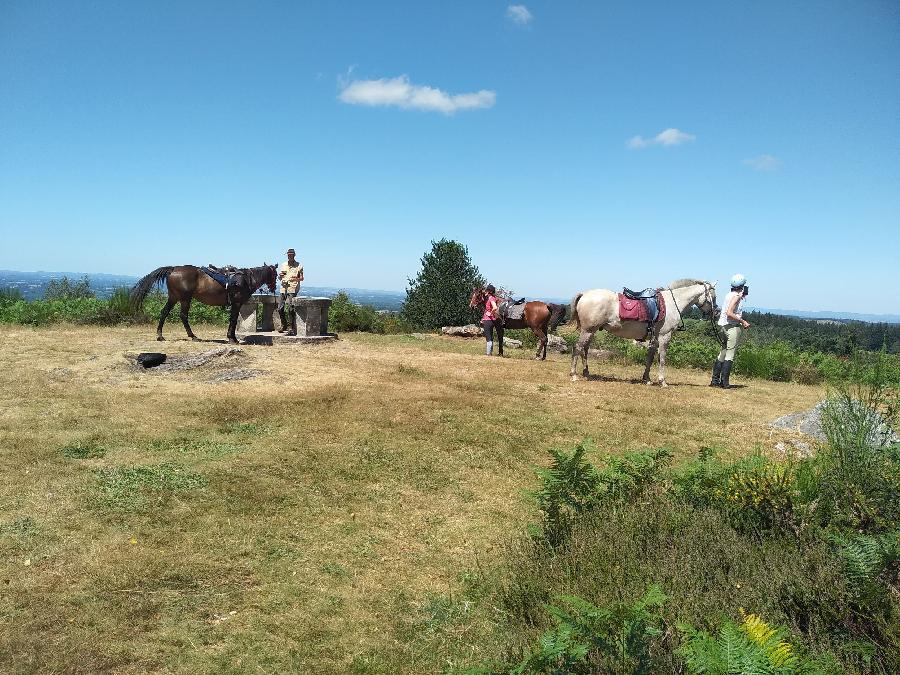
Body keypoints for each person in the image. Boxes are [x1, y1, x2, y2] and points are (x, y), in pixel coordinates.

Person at [710, 274, 751, 388]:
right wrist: (743, 321)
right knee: (730, 354)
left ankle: (714, 381)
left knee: (723, 352)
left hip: (723, 326)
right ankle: (725, 383)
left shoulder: (729, 294)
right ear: (742, 286)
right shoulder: (737, 296)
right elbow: (730, 312)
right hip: (732, 327)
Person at [277, 248, 304, 335]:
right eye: (288, 255)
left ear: (294, 255)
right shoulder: (283, 265)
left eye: (291, 254)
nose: (290, 256)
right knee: (280, 308)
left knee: (291, 309)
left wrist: (295, 279)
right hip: (283, 287)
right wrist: (280, 276)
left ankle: (291, 327)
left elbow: (302, 278)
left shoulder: (299, 265)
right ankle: (283, 325)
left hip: (292, 288)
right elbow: (280, 277)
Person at [482, 284, 500, 356]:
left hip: (488, 320)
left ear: (489, 291)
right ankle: (490, 353)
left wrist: (490, 313)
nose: (485, 292)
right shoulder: (493, 297)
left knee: (488, 337)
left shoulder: (491, 298)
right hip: (491, 320)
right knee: (490, 337)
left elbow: (495, 307)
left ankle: (488, 354)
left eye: (486, 290)